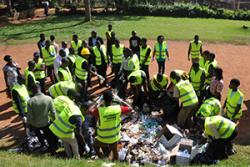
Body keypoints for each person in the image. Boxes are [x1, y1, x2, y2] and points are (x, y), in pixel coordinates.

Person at [89, 90, 133, 161]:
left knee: (95, 146)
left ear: (103, 99)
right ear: (112, 99)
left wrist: (98, 101)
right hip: (114, 137)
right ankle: (116, 163)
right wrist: (120, 99)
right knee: (115, 152)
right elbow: (130, 108)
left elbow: (89, 110)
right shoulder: (117, 109)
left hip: (102, 137)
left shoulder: (100, 111)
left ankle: (103, 159)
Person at [49, 93, 86, 159]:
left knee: (65, 142)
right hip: (64, 131)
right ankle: (77, 159)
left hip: (56, 129)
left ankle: (69, 156)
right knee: (74, 143)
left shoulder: (71, 106)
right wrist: (85, 145)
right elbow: (79, 133)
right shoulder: (78, 117)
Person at [27, 83, 58, 155]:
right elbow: (53, 112)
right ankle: (53, 150)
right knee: (49, 137)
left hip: (35, 124)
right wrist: (55, 121)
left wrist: (29, 124)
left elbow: (29, 116)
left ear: (32, 91)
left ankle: (43, 145)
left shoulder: (30, 101)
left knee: (39, 135)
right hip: (46, 122)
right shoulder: (48, 99)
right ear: (40, 89)